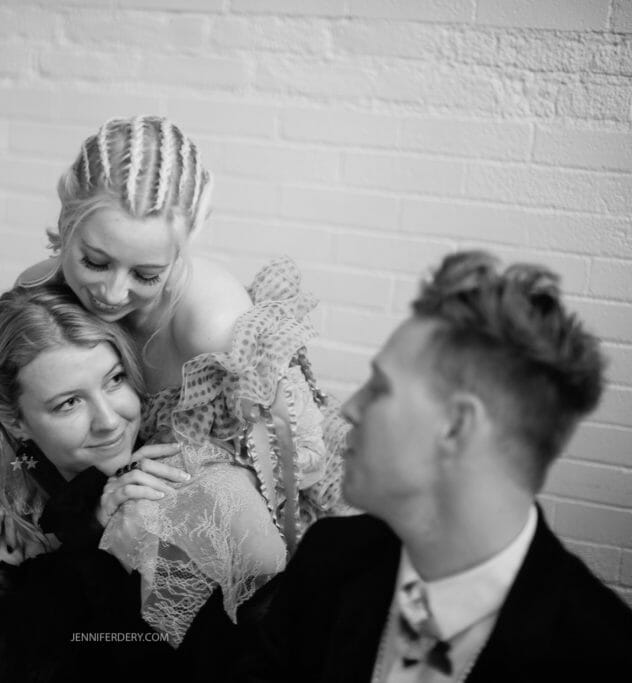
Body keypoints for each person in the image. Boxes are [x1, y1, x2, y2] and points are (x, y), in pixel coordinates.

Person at [10, 115, 350, 642]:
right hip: (98, 495)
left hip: (225, 517)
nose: (112, 295)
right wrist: (86, 503)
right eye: (94, 261)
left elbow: (277, 489)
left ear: (183, 246)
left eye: (146, 275)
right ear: (67, 220)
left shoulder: (212, 327)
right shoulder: (39, 291)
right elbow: (21, 424)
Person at [233, 250, 632, 681]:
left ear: (457, 426)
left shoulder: (602, 657)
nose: (349, 409)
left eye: (381, 388)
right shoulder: (331, 556)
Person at [0, 283, 202, 682]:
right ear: (16, 421)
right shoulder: (13, 506)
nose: (109, 420)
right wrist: (93, 537)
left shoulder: (174, 463)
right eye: (69, 403)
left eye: (114, 380)